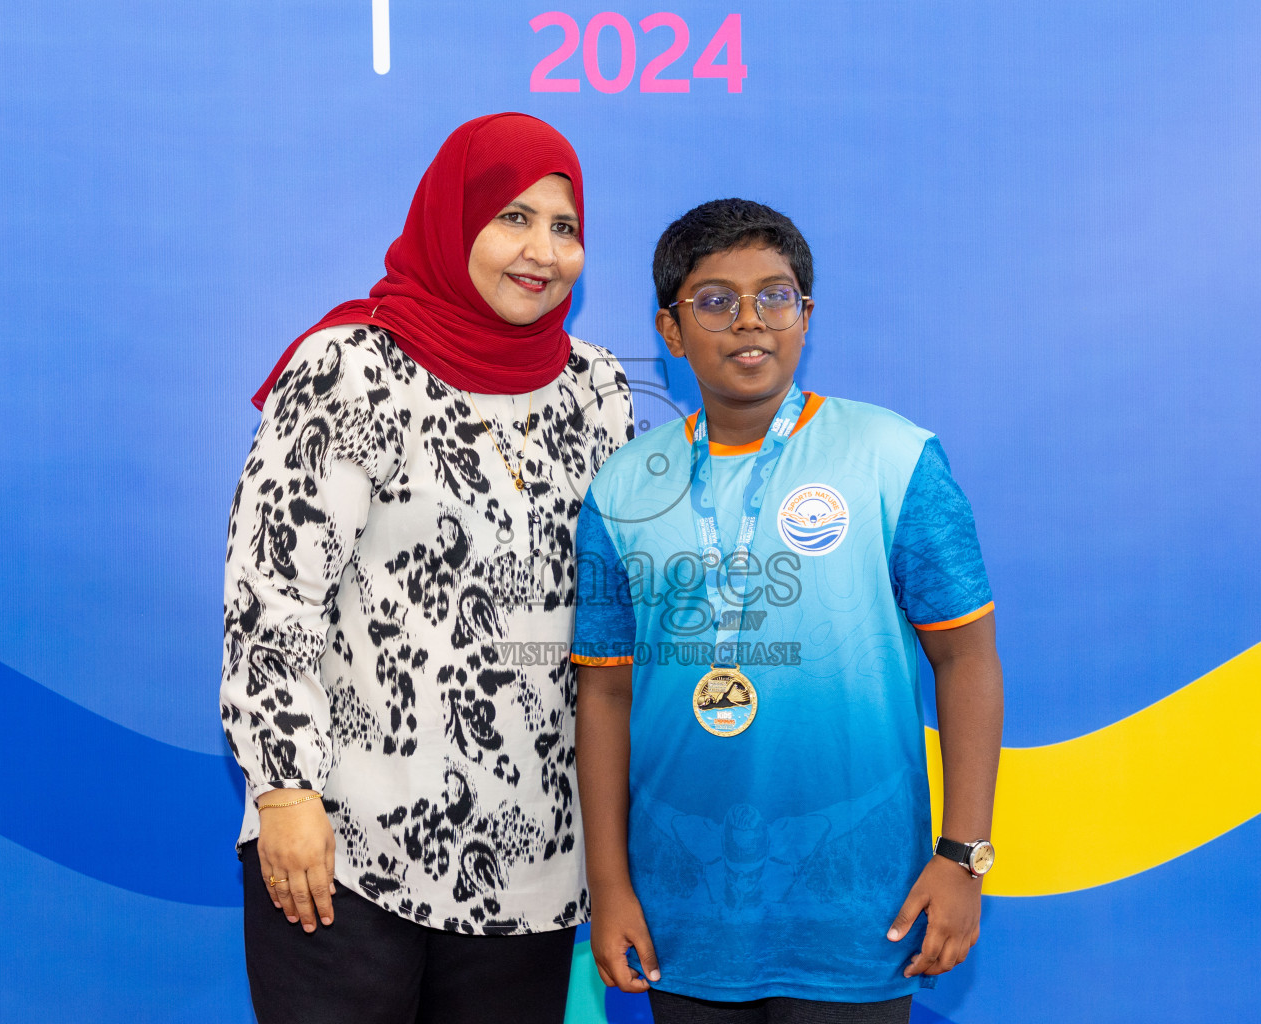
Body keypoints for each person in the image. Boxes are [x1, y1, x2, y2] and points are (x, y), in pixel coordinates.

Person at [220, 112, 634, 1024]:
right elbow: (273, 598)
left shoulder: (597, 389)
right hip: (347, 847)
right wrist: (285, 790)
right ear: (455, 221)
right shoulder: (352, 367)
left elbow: (616, 618)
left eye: (565, 227)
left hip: (533, 859)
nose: (542, 251)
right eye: (513, 218)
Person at [572, 199, 1004, 1023]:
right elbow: (604, 695)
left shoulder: (895, 458)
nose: (749, 322)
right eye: (715, 300)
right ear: (670, 329)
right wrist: (610, 884)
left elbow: (968, 658)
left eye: (775, 297)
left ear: (806, 317)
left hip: (860, 905)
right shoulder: (620, 487)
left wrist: (962, 857)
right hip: (682, 908)